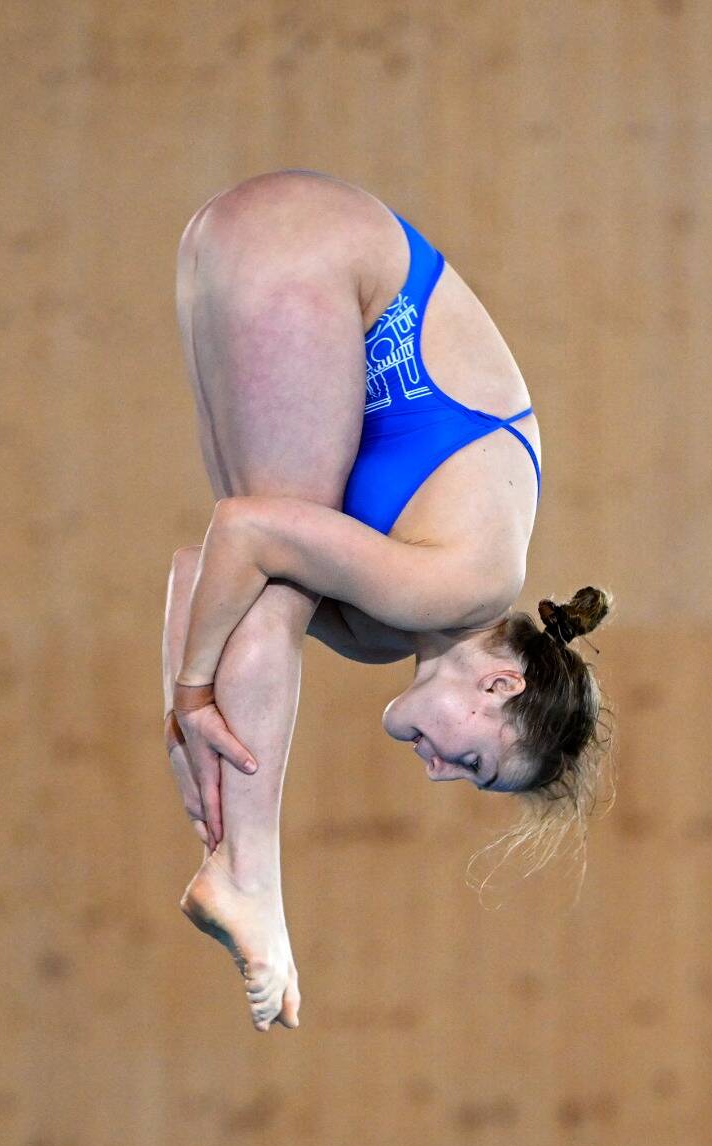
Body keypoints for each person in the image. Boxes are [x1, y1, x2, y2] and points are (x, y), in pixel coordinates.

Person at [159, 169, 613, 1032]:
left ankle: (239, 865)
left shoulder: (383, 626)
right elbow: (249, 533)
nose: (440, 772)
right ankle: (255, 878)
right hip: (310, 254)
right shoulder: (470, 579)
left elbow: (203, 568)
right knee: (279, 591)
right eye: (473, 762)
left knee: (268, 593)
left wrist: (189, 744)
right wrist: (188, 696)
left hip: (232, 243)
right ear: (499, 687)